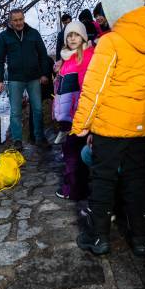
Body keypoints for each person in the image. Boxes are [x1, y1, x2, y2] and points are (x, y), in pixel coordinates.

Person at [71, 0, 145, 258]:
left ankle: (99, 237)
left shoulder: (111, 42)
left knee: (102, 180)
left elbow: (95, 87)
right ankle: (140, 240)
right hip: (142, 128)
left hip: (111, 127)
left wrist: (81, 124)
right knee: (137, 179)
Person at [0, 9, 51, 149]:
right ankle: (17, 141)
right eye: (15, 20)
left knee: (37, 109)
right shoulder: (4, 36)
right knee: (15, 112)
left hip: (34, 77)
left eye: (21, 19)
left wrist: (44, 74)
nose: (19, 22)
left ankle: (39, 138)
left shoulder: (33, 33)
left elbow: (43, 55)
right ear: (10, 21)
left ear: (24, 18)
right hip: (15, 79)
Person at [52, 20, 94, 200]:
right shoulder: (67, 59)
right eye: (69, 35)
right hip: (66, 117)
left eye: (76, 34)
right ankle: (76, 187)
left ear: (83, 37)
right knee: (71, 152)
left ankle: (73, 189)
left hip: (78, 115)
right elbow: (60, 90)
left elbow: (87, 88)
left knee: (73, 153)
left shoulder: (86, 58)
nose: (72, 38)